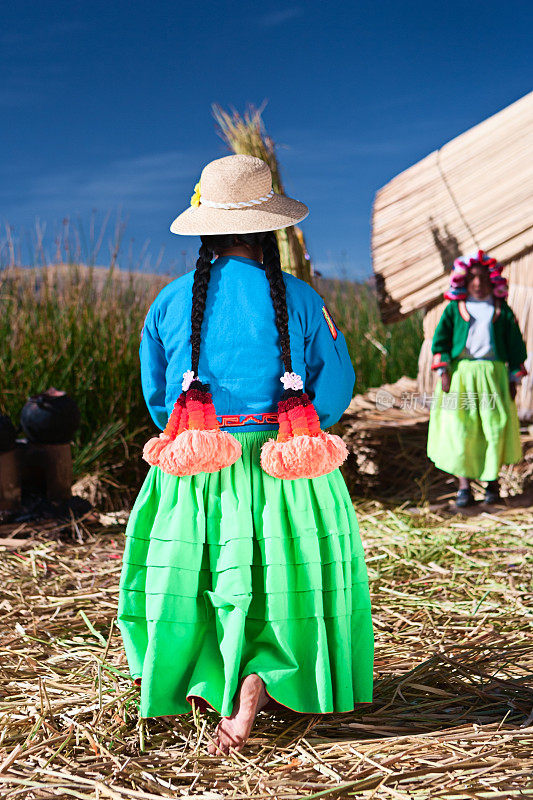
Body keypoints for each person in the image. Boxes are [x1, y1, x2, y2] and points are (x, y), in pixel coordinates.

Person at [117, 154, 374, 755]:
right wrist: (304, 426)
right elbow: (334, 383)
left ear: (206, 226)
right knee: (282, 577)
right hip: (286, 462)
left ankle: (208, 677)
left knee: (208, 573)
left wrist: (194, 439)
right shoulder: (302, 299)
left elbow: (158, 394)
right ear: (268, 228)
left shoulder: (167, 301)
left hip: (200, 463)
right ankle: (262, 678)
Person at [427, 251, 527, 507]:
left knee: (493, 428)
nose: (478, 283)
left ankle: (492, 484)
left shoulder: (500, 309)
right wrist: (444, 371)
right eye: (473, 278)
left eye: (483, 278)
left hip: (493, 376)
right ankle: (464, 487)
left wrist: (513, 378)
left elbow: (515, 346)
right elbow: (441, 341)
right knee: (462, 429)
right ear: (464, 280)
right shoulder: (454, 308)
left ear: (492, 280)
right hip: (462, 376)